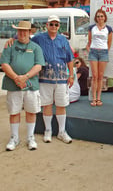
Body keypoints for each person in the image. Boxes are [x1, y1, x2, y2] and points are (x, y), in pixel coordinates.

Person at [0, 21, 45, 151]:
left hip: (31, 85)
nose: (22, 33)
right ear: (17, 32)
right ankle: (14, 137)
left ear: (30, 32)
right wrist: (16, 78)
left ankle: (30, 137)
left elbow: (38, 65)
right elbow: (4, 64)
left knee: (31, 111)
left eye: (25, 31)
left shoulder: (36, 47)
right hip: (13, 85)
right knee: (14, 112)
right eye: (20, 31)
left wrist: (25, 77)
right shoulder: (10, 45)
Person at [31, 15, 74, 144]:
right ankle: (48, 130)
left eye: (56, 24)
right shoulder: (38, 38)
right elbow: (25, 42)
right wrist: (11, 40)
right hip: (45, 77)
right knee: (47, 104)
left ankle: (62, 131)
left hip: (61, 77)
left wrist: (71, 74)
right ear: (47, 25)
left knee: (61, 104)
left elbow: (69, 58)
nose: (54, 27)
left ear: (59, 26)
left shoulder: (63, 40)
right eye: (51, 24)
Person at [86, 9, 113, 106]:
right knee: (94, 76)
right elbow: (89, 41)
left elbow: (109, 42)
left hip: (103, 52)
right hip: (93, 52)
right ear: (96, 18)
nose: (100, 18)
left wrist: (105, 50)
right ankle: (93, 98)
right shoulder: (92, 28)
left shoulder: (108, 29)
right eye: (98, 16)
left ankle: (99, 98)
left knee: (101, 76)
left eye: (102, 16)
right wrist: (90, 50)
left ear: (105, 17)